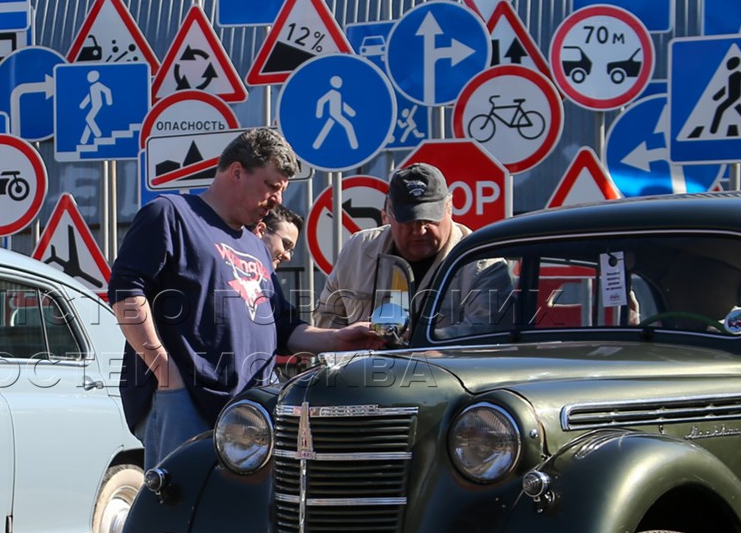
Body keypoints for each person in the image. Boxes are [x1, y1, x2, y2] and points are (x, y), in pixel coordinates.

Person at [109, 128, 380, 466]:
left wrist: (339, 339)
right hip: (186, 402)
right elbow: (125, 293)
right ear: (237, 172)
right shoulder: (171, 214)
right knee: (180, 514)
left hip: (250, 413)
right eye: (271, 186)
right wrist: (165, 371)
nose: (279, 199)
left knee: (245, 514)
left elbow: (282, 328)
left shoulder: (255, 245)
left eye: (282, 189)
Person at [314, 164, 470, 340]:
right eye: (408, 221)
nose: (419, 231)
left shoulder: (477, 259)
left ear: (449, 208)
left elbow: (488, 332)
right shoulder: (357, 249)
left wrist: (422, 338)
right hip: (367, 366)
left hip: (443, 367)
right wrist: (347, 346)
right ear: (387, 214)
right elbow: (327, 318)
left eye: (428, 220)